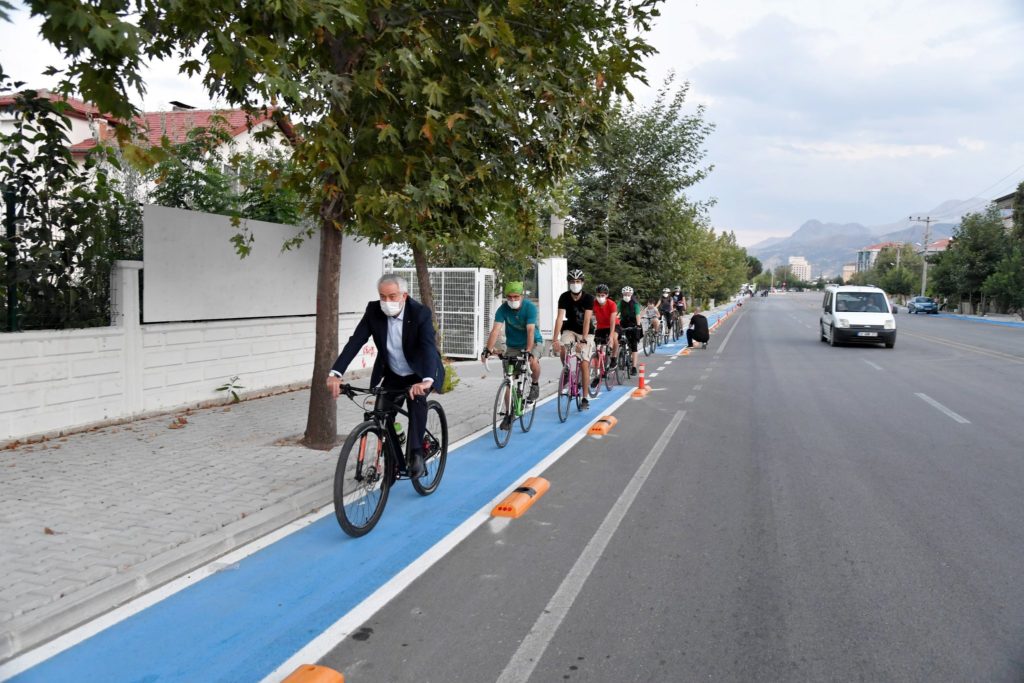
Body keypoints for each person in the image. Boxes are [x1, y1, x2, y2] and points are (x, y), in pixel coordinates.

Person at [327, 274, 444, 478]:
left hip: (418, 372)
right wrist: (335, 373)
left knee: (416, 404)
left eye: (392, 296)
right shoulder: (374, 310)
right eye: (383, 296)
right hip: (392, 372)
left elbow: (428, 348)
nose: (387, 302)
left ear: (404, 295)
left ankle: (416, 452)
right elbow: (356, 341)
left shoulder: (419, 313)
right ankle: (391, 460)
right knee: (381, 414)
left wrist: (426, 380)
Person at [481, 281, 542, 404]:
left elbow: (530, 330)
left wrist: (529, 351)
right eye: (509, 296)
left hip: (533, 342)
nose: (512, 299)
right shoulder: (503, 309)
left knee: (532, 361)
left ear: (521, 296)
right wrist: (487, 349)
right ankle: (509, 414)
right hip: (513, 345)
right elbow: (495, 330)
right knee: (509, 378)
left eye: (516, 296)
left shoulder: (530, 308)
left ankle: (534, 384)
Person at [552, 269, 595, 409]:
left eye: (577, 281)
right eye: (572, 282)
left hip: (586, 332)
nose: (575, 284)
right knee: (564, 347)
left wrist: (583, 340)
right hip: (569, 328)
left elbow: (587, 320)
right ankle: (566, 369)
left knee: (584, 362)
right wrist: (555, 339)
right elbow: (559, 318)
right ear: (568, 283)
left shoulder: (589, 298)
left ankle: (585, 398)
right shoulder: (564, 297)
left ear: (582, 283)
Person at [592, 284, 619, 371]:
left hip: (614, 324)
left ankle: (614, 358)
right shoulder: (594, 303)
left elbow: (612, 321)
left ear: (606, 295)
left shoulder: (612, 304)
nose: (600, 297)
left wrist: (611, 336)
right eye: (598, 295)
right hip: (601, 326)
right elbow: (588, 316)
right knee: (598, 346)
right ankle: (600, 369)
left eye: (602, 295)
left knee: (614, 338)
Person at [617, 286, 642, 376]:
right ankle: (620, 353)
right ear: (622, 294)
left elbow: (638, 315)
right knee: (618, 338)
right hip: (624, 322)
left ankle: (634, 367)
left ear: (631, 294)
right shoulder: (620, 303)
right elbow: (616, 313)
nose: (627, 295)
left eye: (628, 294)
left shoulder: (635, 303)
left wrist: (638, 325)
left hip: (634, 323)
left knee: (634, 344)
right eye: (625, 294)